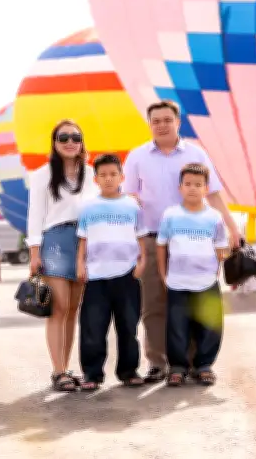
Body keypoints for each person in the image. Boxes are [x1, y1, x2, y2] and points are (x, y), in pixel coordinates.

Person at [122, 99, 241, 383]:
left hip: (194, 241)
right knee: (154, 304)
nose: (161, 125)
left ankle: (194, 364)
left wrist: (232, 227)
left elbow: (213, 193)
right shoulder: (137, 157)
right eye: (156, 121)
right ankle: (158, 363)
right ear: (149, 124)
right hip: (152, 240)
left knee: (194, 302)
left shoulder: (196, 154)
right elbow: (128, 198)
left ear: (178, 122)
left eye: (167, 120)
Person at [27, 119, 98, 392]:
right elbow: (35, 215)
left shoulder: (91, 174)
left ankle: (65, 368)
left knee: (72, 310)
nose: (70, 142)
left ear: (82, 143)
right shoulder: (42, 175)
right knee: (59, 307)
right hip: (55, 240)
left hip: (84, 241)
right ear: (54, 143)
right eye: (64, 137)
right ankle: (58, 371)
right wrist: (34, 252)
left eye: (75, 137)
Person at [75, 154, 147, 391]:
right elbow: (83, 239)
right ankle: (92, 374)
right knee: (93, 328)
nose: (108, 179)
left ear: (122, 177)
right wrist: (80, 264)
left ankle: (129, 371)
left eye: (113, 174)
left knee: (128, 327)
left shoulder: (132, 206)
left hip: (127, 274)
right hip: (96, 277)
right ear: (95, 179)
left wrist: (142, 261)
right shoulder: (88, 207)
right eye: (103, 175)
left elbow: (141, 237)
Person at [156, 163, 227, 387]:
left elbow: (220, 247)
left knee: (209, 325)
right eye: (187, 184)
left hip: (207, 282)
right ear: (180, 188)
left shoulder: (215, 217)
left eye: (198, 184)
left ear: (206, 188)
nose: (192, 188)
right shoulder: (170, 215)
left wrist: (215, 272)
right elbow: (161, 246)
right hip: (177, 282)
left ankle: (204, 366)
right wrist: (163, 275)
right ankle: (178, 368)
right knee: (177, 326)